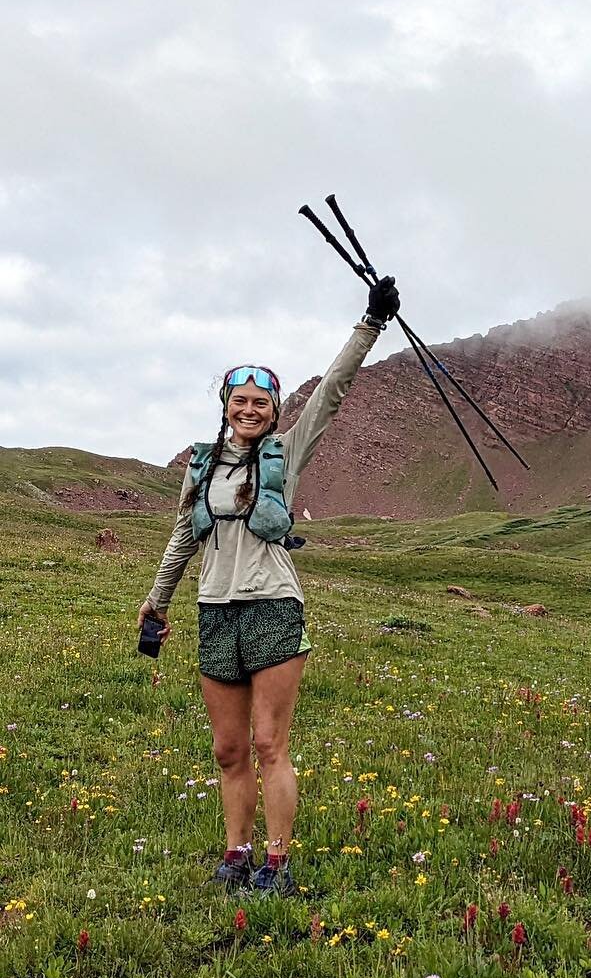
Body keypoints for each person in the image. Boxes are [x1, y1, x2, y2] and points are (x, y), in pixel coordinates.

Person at [138, 276, 401, 894]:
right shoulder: (202, 466)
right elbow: (183, 537)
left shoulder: (286, 450)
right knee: (228, 751)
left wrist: (370, 324)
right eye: (240, 400)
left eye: (261, 402)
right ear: (225, 406)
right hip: (214, 612)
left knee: (268, 744)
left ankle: (276, 865)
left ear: (275, 410)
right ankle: (236, 857)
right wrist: (156, 601)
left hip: (273, 609)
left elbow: (331, 394)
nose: (250, 410)